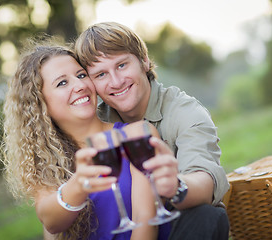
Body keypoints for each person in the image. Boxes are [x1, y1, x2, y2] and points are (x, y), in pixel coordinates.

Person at [74, 22, 230, 239]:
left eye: (121, 65)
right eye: (101, 74)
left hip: (179, 225)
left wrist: (175, 186)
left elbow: (205, 178)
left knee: (206, 216)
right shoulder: (95, 122)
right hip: (124, 228)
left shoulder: (185, 112)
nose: (116, 82)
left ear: (144, 61)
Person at [0, 38, 163, 240]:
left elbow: (146, 220)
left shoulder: (136, 134)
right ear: (40, 104)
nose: (79, 85)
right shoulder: (47, 164)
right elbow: (51, 223)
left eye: (81, 75)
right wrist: (79, 185)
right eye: (62, 83)